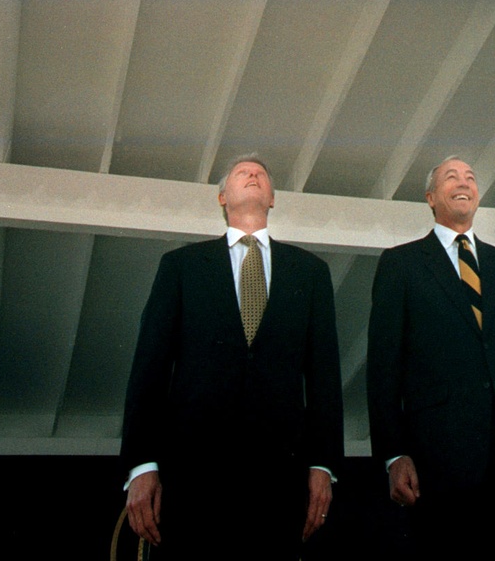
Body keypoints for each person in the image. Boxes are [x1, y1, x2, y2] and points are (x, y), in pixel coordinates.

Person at [121, 154, 343, 559]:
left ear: (272, 198)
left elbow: (324, 377)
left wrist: (323, 465)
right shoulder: (181, 266)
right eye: (242, 172)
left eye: (261, 173)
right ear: (223, 197)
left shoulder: (311, 272)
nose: (253, 172)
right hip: (193, 474)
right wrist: (142, 465)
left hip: (280, 477)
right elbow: (149, 369)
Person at [367, 155, 495, 559]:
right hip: (442, 462)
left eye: (470, 177)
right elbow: (383, 368)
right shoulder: (400, 264)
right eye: (451, 177)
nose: (464, 182)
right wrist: (394, 454)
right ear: (430, 197)